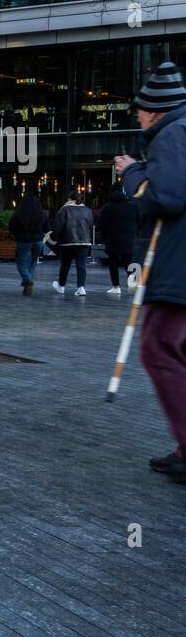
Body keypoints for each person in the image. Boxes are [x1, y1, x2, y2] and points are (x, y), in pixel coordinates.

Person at [115, 61, 186, 483]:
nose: (138, 118)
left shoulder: (173, 134)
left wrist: (131, 172)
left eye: (141, 111)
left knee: (158, 347)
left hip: (177, 267)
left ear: (154, 110)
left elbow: (165, 196)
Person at [49, 189, 94, 295]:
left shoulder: (64, 210)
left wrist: (54, 238)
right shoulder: (87, 210)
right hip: (84, 241)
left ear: (69, 199)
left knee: (65, 264)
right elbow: (91, 224)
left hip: (67, 242)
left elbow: (58, 227)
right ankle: (81, 288)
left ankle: (61, 286)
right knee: (81, 264)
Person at [98, 184, 138, 295]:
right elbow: (139, 221)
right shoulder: (131, 206)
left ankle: (116, 287)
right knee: (129, 262)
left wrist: (105, 237)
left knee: (113, 262)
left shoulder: (106, 207)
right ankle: (133, 284)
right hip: (129, 239)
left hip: (112, 239)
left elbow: (102, 225)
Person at [9, 192, 46, 295]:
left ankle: (28, 280)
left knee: (21, 263)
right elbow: (47, 228)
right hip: (38, 241)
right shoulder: (42, 214)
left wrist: (17, 235)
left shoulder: (18, 213)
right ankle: (27, 285)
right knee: (33, 263)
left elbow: (12, 227)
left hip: (24, 241)